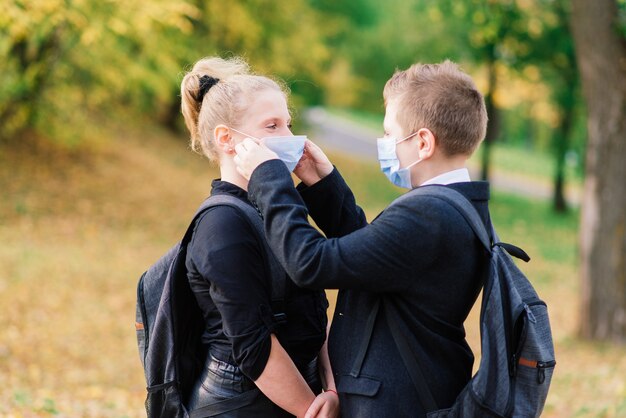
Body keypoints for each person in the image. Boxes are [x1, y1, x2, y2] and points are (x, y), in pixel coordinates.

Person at [233, 60, 490, 417]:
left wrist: (270, 179)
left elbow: (311, 263)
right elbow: (374, 260)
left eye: (389, 133)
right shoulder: (458, 206)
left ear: (424, 142)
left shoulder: (429, 215)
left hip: (396, 405)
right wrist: (322, 182)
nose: (383, 143)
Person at [180, 56, 339, 418]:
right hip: (242, 405)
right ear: (227, 139)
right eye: (272, 126)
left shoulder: (279, 207)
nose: (289, 138)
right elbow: (255, 346)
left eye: (289, 124)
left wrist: (330, 386)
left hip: (301, 395)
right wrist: (311, 410)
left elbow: (314, 313)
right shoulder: (222, 224)